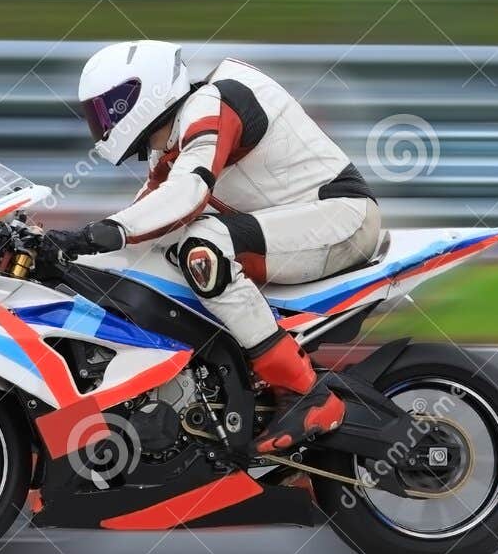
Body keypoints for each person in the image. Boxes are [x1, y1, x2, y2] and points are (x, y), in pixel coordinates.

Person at [46, 39, 381, 455]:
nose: (99, 124)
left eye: (103, 110)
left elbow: (187, 193)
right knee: (156, 262)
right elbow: (146, 221)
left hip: (340, 220)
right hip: (287, 231)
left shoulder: (213, 102)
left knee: (202, 249)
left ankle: (308, 394)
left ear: (134, 96)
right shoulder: (170, 146)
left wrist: (99, 232)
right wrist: (62, 250)